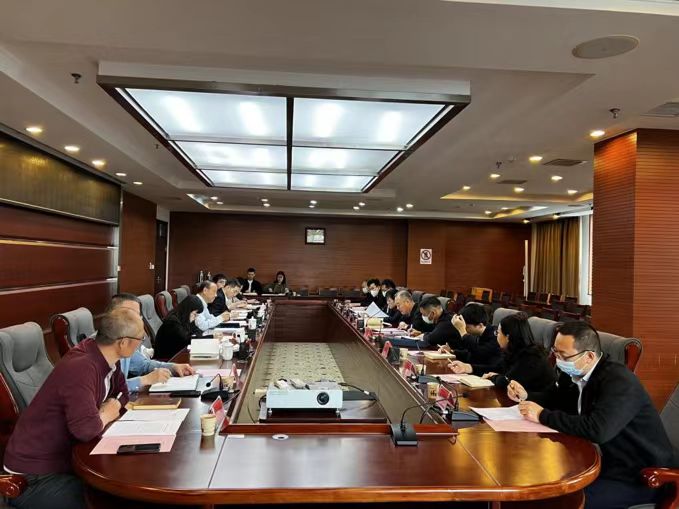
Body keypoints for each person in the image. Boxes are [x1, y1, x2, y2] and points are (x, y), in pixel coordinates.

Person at [510, 321, 678, 509]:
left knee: (565, 500)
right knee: (539, 479)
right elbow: (556, 399)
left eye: (563, 355)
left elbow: (597, 430)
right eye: (555, 352)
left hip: (642, 476)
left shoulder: (619, 382)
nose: (558, 360)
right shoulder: (576, 372)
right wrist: (527, 396)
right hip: (607, 462)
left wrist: (542, 415)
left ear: (589, 356)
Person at [4, 308, 139, 509]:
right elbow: (85, 429)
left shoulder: (108, 359)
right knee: (113, 500)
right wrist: (106, 414)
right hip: (34, 477)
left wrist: (113, 405)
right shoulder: (82, 367)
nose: (141, 342)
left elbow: (123, 393)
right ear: (124, 343)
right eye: (140, 338)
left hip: (67, 461)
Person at [107, 293, 194, 391]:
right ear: (112, 315)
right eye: (129, 314)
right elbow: (107, 391)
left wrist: (173, 367)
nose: (136, 319)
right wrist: (145, 380)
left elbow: (144, 365)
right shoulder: (103, 346)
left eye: (138, 315)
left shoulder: (127, 339)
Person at [448, 312, 555, 391]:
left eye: (498, 333)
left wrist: (495, 377)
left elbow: (506, 382)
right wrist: (468, 367)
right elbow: (497, 368)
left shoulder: (531, 357)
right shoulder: (513, 351)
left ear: (508, 337)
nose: (496, 336)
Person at [154, 295, 204, 359]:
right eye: (195, 314)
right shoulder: (172, 322)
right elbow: (186, 340)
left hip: (177, 353)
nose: (195, 317)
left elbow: (198, 330)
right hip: (167, 359)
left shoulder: (184, 318)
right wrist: (211, 337)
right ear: (188, 310)